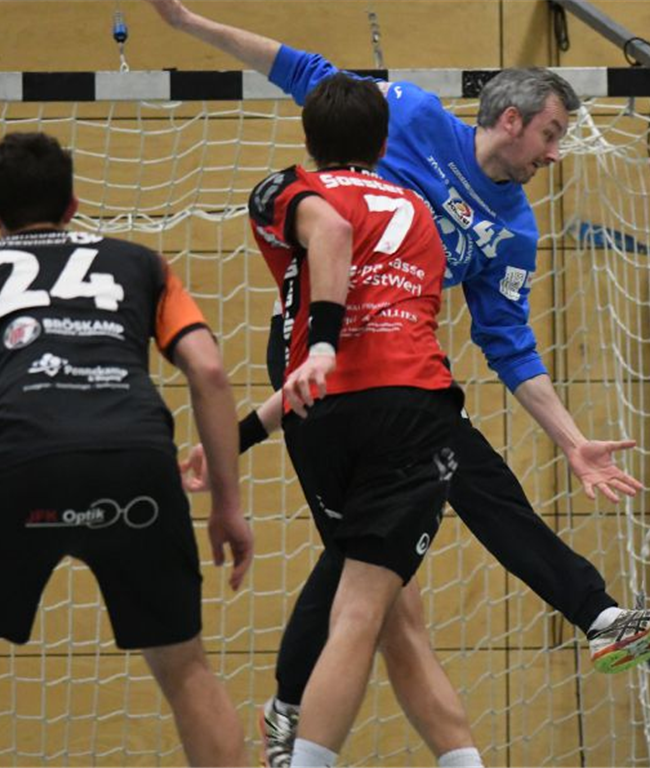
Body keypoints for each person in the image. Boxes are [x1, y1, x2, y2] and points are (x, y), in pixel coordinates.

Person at [147, 1, 650, 764]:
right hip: (321, 354)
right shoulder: (407, 116)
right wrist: (188, 22)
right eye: (550, 134)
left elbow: (510, 347)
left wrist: (572, 442)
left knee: (387, 561)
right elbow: (303, 72)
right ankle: (597, 616)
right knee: (382, 564)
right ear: (508, 119)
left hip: (388, 372)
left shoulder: (512, 230)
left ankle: (294, 705)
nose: (555, 154)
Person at [0, 132, 253, 768]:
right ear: (73, 206)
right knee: (183, 663)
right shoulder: (143, 265)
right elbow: (210, 372)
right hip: (139, 464)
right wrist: (227, 504)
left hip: (27, 467)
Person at [241, 70, 482, 768]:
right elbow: (339, 236)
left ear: (307, 140)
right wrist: (323, 342)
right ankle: (300, 742)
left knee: (395, 615)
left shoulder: (282, 190)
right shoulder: (419, 214)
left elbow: (327, 243)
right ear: (382, 144)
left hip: (316, 413)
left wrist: (237, 437)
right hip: (406, 410)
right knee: (361, 608)